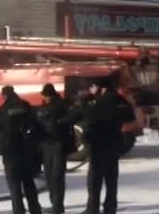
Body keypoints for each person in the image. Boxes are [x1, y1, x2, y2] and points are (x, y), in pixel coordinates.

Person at [81, 78, 135, 214]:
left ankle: (92, 210)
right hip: (114, 145)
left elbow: (86, 115)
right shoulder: (120, 100)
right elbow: (130, 116)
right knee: (111, 182)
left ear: (101, 88)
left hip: (99, 145)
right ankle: (110, 209)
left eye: (94, 86)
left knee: (94, 181)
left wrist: (89, 98)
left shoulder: (98, 102)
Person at [0, 85, 43, 214]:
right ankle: (35, 209)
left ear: (4, 95)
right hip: (25, 149)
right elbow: (35, 122)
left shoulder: (2, 109)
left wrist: (2, 133)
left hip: (9, 150)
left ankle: (18, 210)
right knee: (28, 181)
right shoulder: (25, 105)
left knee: (14, 184)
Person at [36, 83, 76, 214]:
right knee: (48, 176)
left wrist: (60, 122)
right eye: (45, 96)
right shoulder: (43, 107)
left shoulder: (62, 104)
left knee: (57, 176)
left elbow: (74, 116)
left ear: (51, 95)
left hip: (58, 144)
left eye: (47, 96)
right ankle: (55, 204)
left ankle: (58, 207)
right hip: (46, 144)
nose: (46, 98)